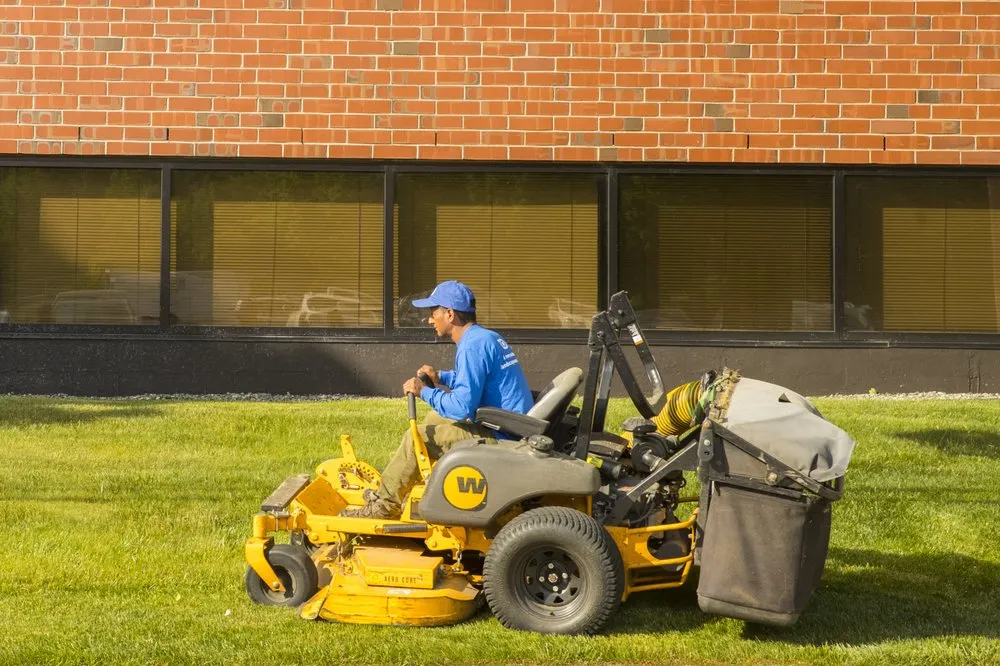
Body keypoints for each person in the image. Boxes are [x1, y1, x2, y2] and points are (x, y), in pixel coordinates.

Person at [342, 280, 534, 519]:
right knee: (434, 418)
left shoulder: (471, 347)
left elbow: (462, 408)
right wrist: (440, 377)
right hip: (510, 424)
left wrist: (423, 391)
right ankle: (415, 485)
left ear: (450, 314)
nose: (429, 320)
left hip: (504, 436)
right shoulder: (485, 337)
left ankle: (384, 506)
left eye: (434, 313)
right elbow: (475, 380)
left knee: (417, 437)